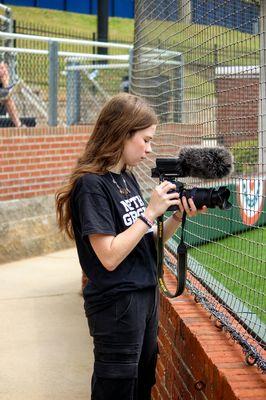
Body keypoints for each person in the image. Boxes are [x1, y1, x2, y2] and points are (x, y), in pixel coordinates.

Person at [55, 93, 207, 400]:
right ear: (123, 133)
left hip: (144, 297)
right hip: (116, 305)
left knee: (142, 383)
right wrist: (149, 212)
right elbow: (109, 256)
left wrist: (175, 214)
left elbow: (147, 243)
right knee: (117, 389)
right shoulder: (91, 186)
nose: (149, 149)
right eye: (146, 140)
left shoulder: (125, 178)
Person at [0, 61, 21, 127]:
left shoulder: (4, 78)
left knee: (7, 97)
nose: (1, 71)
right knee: (7, 97)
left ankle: (19, 125)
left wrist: (5, 82)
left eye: (2, 68)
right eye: (0, 68)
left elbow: (6, 91)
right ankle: (18, 125)